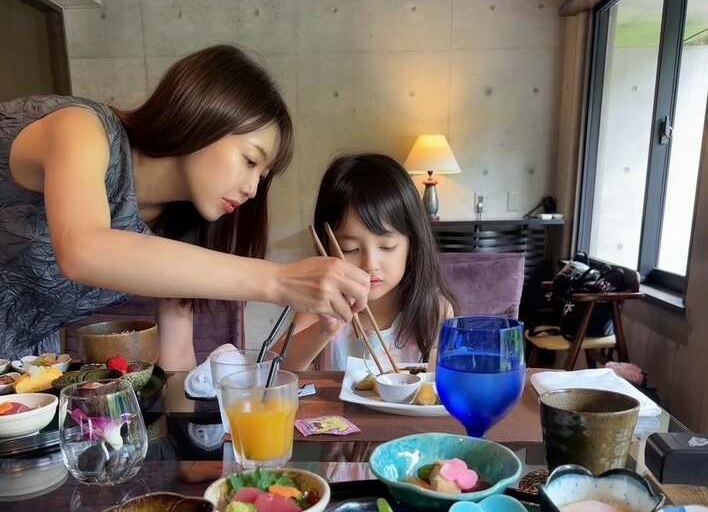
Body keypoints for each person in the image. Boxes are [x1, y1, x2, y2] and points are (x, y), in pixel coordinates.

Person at [0, 44, 369, 364]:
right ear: (203, 117)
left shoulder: (180, 226)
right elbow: (83, 250)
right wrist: (279, 280)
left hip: (26, 372)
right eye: (250, 161)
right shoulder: (81, 129)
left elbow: (177, 357)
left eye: (263, 175)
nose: (253, 190)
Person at [283, 153, 457, 371]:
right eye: (350, 248)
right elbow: (276, 369)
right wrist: (323, 331)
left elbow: (442, 382)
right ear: (327, 246)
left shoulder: (434, 310)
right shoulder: (320, 304)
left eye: (387, 246)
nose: (370, 264)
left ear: (412, 244)